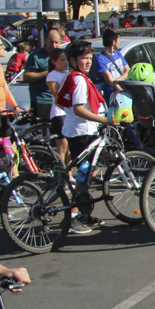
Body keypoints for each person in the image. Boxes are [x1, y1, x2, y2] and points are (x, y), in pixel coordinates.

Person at [56, 41, 116, 235]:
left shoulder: (76, 76)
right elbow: (79, 109)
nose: (88, 62)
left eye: (90, 58)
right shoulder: (79, 80)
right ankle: (72, 217)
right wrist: (104, 120)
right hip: (82, 132)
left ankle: (84, 214)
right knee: (83, 177)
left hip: (81, 131)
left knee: (88, 175)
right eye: (84, 58)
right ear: (73, 60)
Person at [22, 29, 63, 121]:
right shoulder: (36, 55)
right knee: (43, 131)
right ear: (45, 41)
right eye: (51, 42)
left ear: (61, 42)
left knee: (59, 132)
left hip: (60, 100)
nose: (54, 45)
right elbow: (26, 76)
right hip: (42, 99)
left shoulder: (64, 56)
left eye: (56, 42)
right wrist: (48, 73)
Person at [45, 48, 69, 165]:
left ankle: (68, 173)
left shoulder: (68, 73)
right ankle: (60, 172)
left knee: (70, 145)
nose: (65, 62)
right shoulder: (52, 75)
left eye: (66, 59)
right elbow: (56, 94)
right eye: (62, 60)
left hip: (69, 112)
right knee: (63, 145)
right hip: (59, 112)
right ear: (54, 61)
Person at [93, 29, 129, 100]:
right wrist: (122, 92)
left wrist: (116, 80)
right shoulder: (100, 59)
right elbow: (109, 80)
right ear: (113, 42)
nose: (119, 43)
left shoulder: (118, 53)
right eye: (118, 40)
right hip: (112, 94)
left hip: (124, 89)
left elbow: (128, 70)